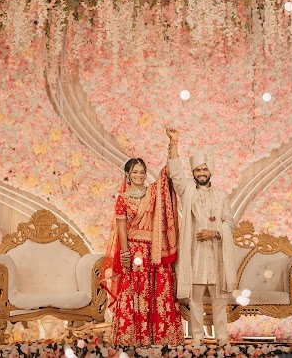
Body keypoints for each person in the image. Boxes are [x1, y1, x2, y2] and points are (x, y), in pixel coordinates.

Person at [166, 128, 238, 346]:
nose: (201, 173)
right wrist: (174, 143)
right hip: (195, 254)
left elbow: (229, 222)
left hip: (216, 255)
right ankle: (197, 336)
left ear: (211, 171)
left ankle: (222, 337)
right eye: (197, 170)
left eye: (205, 169)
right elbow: (176, 173)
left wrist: (215, 232)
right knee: (195, 300)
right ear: (193, 173)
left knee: (219, 301)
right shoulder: (187, 191)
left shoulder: (222, 196)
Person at [102, 157, 184, 346]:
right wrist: (125, 253)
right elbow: (122, 229)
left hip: (154, 251)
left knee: (157, 293)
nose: (139, 175)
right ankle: (135, 339)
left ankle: (160, 339)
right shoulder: (123, 198)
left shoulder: (153, 193)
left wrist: (172, 149)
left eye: (142, 172)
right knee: (135, 292)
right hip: (134, 252)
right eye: (135, 172)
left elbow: (165, 178)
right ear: (128, 175)